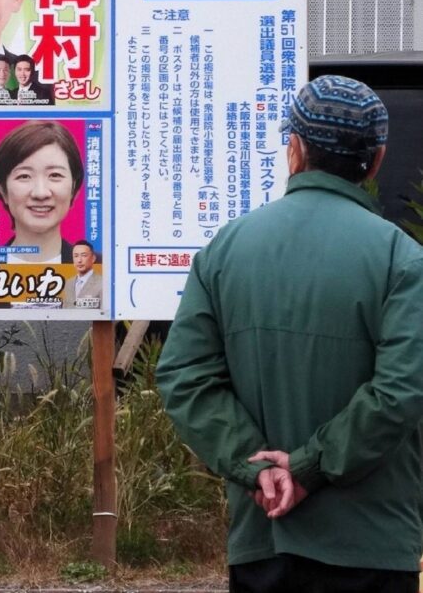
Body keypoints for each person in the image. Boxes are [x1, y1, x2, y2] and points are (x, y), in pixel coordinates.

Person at [157, 75, 423, 593]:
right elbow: (400, 391)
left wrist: (257, 466)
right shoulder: (402, 260)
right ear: (377, 160)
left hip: (265, 538)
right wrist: (308, 467)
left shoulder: (226, 250)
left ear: (295, 150)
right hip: (376, 542)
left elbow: (184, 375)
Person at [0, 120, 83, 264]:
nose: (40, 193)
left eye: (55, 175)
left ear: (73, 187)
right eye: (24, 176)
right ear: (2, 189)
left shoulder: (102, 271)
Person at [62, 239, 102, 309]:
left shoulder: (102, 282)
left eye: (84, 255)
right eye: (76, 256)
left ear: (93, 258)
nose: (79, 260)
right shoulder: (69, 282)